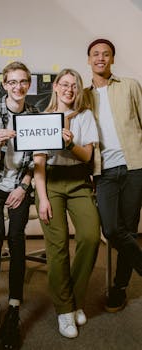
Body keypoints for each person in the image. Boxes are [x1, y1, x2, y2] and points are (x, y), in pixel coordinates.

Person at [33, 68, 100, 338]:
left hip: (79, 182)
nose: (69, 89)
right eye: (64, 84)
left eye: (74, 85)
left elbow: (86, 156)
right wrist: (43, 199)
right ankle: (64, 310)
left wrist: (71, 145)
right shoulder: (42, 118)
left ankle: (76, 300)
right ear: (56, 87)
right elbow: (38, 162)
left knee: (90, 236)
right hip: (50, 184)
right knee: (57, 245)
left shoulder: (85, 117)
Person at [0, 61, 38, 350]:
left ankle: (13, 307)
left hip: (19, 185)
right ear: (4, 84)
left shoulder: (34, 114)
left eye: (23, 81)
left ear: (29, 84)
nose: (18, 87)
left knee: (16, 237)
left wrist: (24, 186)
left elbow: (38, 159)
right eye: (12, 82)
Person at [84, 38, 142, 312]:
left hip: (134, 167)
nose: (100, 58)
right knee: (111, 229)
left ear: (112, 59)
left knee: (129, 229)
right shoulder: (84, 95)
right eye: (95, 54)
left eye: (106, 54)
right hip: (103, 171)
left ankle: (119, 288)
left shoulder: (130, 86)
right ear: (89, 60)